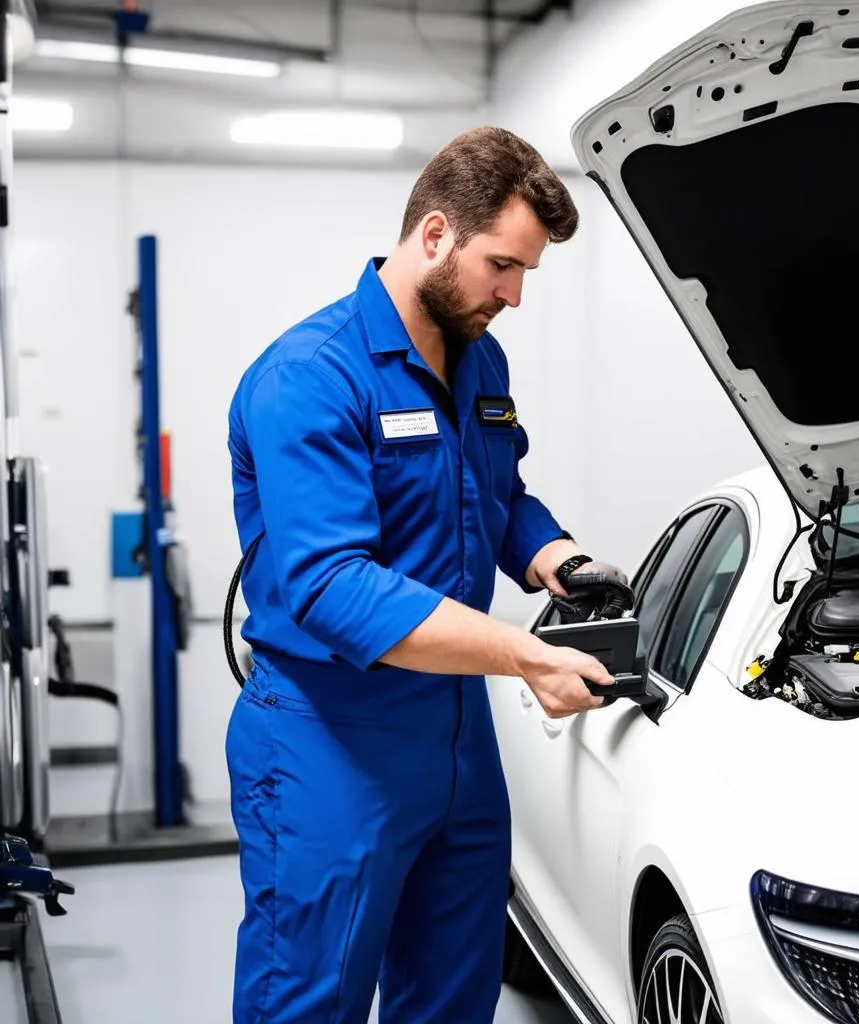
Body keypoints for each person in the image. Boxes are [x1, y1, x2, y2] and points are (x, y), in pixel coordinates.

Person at [225, 125, 631, 1024]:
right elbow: (331, 586)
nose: (515, 295)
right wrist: (524, 656)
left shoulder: (480, 355)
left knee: (453, 994)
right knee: (311, 1001)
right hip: (330, 736)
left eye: (527, 272)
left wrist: (551, 556)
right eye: (502, 266)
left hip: (455, 734)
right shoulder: (310, 376)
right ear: (437, 235)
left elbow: (495, 493)